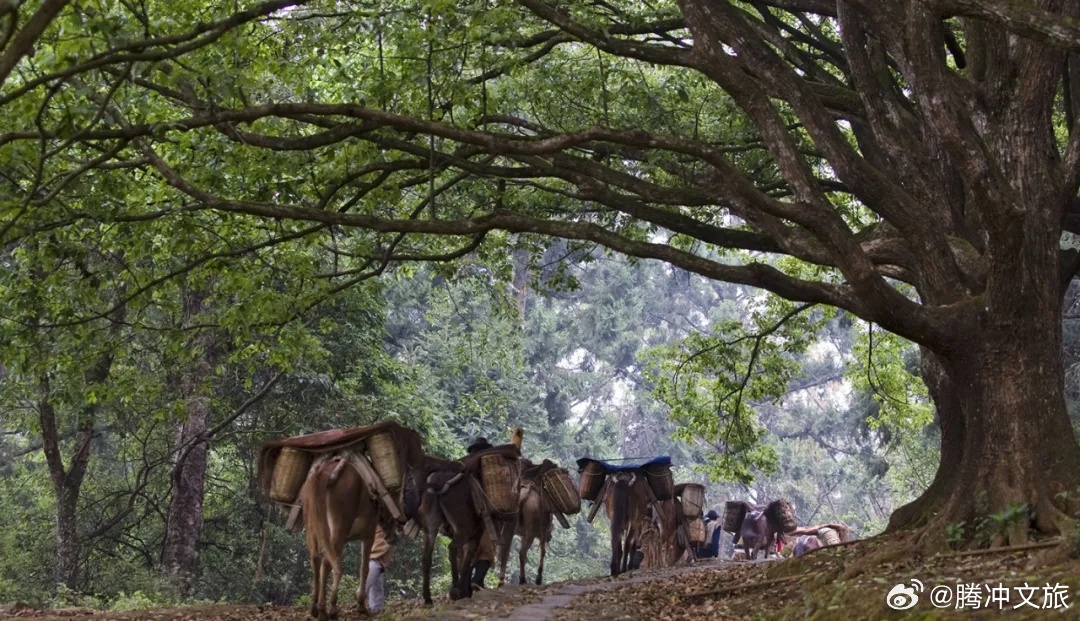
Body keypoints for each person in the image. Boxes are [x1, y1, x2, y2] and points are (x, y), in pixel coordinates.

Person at [365, 524, 393, 614]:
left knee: (378, 564)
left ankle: (376, 608)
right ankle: (362, 592)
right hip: (382, 522)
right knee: (377, 559)